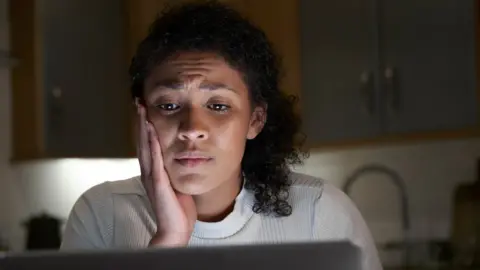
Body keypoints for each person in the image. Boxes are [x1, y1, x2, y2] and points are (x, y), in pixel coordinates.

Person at [61, 1, 382, 269]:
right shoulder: (103, 215)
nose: (192, 129)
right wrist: (169, 241)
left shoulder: (320, 213)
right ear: (142, 114)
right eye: (169, 105)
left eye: (217, 105)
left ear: (255, 120)